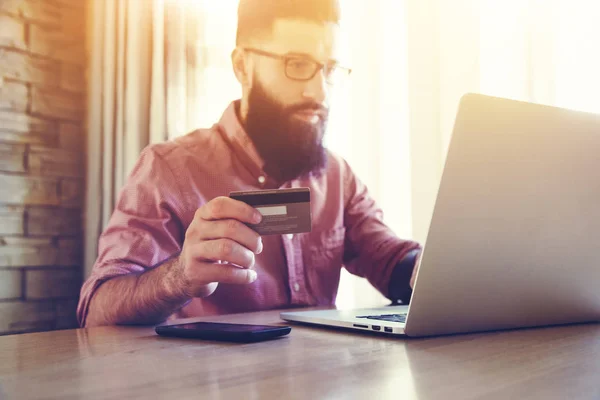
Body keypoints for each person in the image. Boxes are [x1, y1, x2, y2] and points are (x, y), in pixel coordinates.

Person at [77, 0, 422, 328]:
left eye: (330, 69)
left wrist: (433, 269)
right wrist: (179, 276)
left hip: (323, 381)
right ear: (242, 66)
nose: (320, 93)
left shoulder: (337, 174)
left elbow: (389, 260)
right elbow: (98, 311)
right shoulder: (168, 169)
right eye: (297, 64)